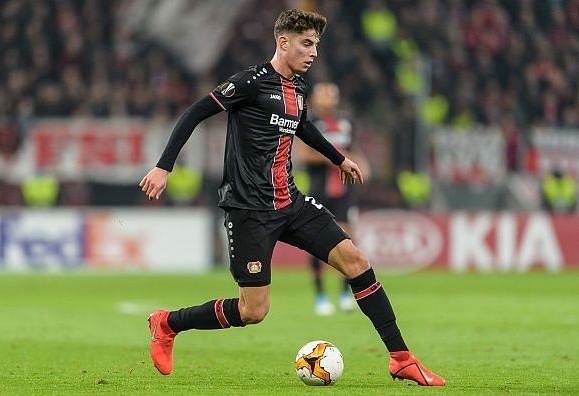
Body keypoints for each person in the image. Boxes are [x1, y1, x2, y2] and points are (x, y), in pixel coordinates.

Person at [139, 9, 445, 386]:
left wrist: (339, 159)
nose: (313, 52)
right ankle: (168, 323)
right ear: (283, 42)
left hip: (291, 203)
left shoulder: (298, 90)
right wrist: (163, 166)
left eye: (316, 44)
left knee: (356, 260)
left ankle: (401, 358)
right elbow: (194, 112)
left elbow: (303, 129)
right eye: (306, 43)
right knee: (254, 311)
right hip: (249, 210)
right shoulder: (249, 82)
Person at [296, 82, 364, 316]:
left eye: (331, 94)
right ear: (314, 99)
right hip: (318, 189)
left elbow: (354, 150)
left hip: (345, 192)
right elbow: (304, 154)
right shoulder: (309, 123)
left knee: (347, 241)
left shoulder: (347, 121)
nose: (327, 98)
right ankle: (320, 296)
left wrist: (359, 163)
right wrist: (335, 157)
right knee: (317, 244)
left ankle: (346, 293)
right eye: (323, 94)